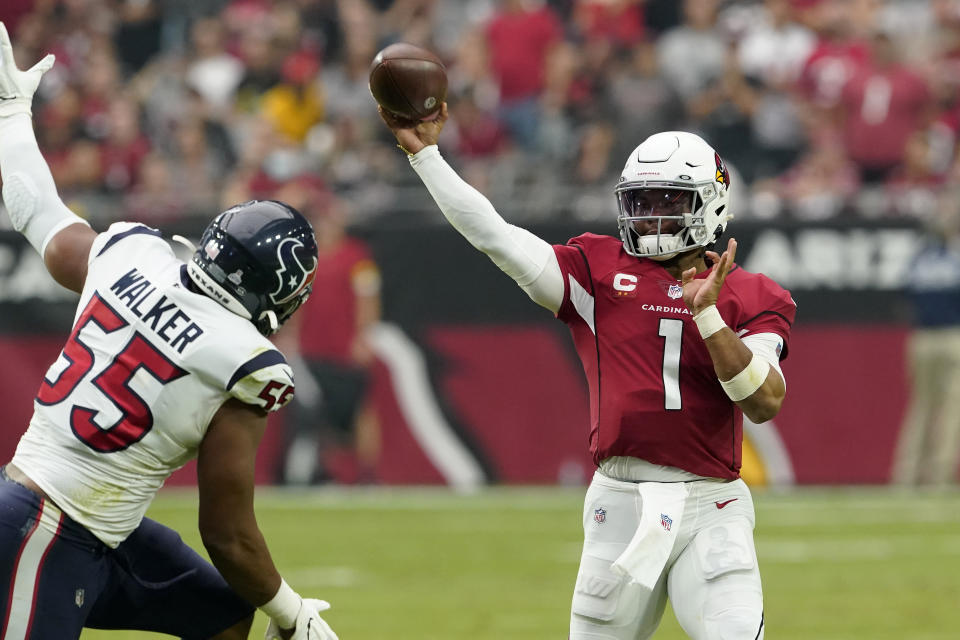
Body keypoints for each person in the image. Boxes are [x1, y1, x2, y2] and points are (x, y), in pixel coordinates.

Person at [379, 102, 795, 639]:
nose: (650, 218)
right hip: (619, 502)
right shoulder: (598, 270)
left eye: (668, 203)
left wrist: (707, 314)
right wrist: (427, 157)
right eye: (641, 203)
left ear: (709, 207)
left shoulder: (752, 294)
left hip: (711, 503)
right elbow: (496, 236)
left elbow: (764, 402)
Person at [0, 24, 337, 640]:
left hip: (93, 524)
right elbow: (228, 535)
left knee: (223, 614)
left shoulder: (132, 254)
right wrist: (295, 617)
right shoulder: (245, 361)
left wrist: (10, 115)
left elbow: (36, 210)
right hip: (44, 527)